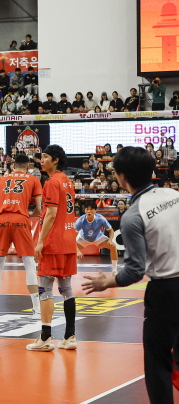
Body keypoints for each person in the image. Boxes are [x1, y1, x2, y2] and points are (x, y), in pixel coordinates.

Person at [82, 147, 179, 404]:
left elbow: (135, 270)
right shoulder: (174, 194)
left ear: (121, 177)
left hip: (167, 293)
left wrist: (107, 282)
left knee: (158, 364)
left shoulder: (133, 215)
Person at [27, 145, 79, 352]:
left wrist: (40, 241)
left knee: (45, 288)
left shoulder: (51, 182)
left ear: (56, 160)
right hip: (68, 240)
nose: (42, 160)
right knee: (67, 289)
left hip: (54, 242)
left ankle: (45, 338)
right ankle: (70, 336)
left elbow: (51, 214)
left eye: (45, 157)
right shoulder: (68, 181)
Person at [0, 154, 43, 319]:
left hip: (2, 220)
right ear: (28, 165)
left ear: (13, 165)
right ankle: (37, 309)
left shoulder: (1, 179)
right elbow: (39, 208)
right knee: (29, 264)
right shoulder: (34, 179)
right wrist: (30, 214)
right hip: (21, 219)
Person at [75, 201, 118, 275]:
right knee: (70, 250)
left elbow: (111, 230)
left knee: (113, 246)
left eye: (91, 209)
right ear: (85, 210)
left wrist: (110, 240)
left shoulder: (100, 218)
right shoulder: (80, 220)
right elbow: (72, 237)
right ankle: (66, 271)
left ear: (95, 210)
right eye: (87, 209)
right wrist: (77, 251)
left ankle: (114, 270)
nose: (89, 211)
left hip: (98, 238)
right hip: (83, 239)